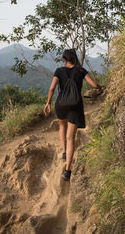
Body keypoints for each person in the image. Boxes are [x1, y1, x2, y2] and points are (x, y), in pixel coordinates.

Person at [44, 49, 102, 181]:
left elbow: (52, 88)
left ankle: (64, 152)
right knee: (71, 137)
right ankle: (67, 170)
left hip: (61, 104)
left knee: (62, 126)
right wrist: (100, 87)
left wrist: (47, 103)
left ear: (64, 59)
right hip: (75, 105)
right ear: (74, 58)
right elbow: (93, 84)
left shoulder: (59, 70)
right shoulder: (81, 70)